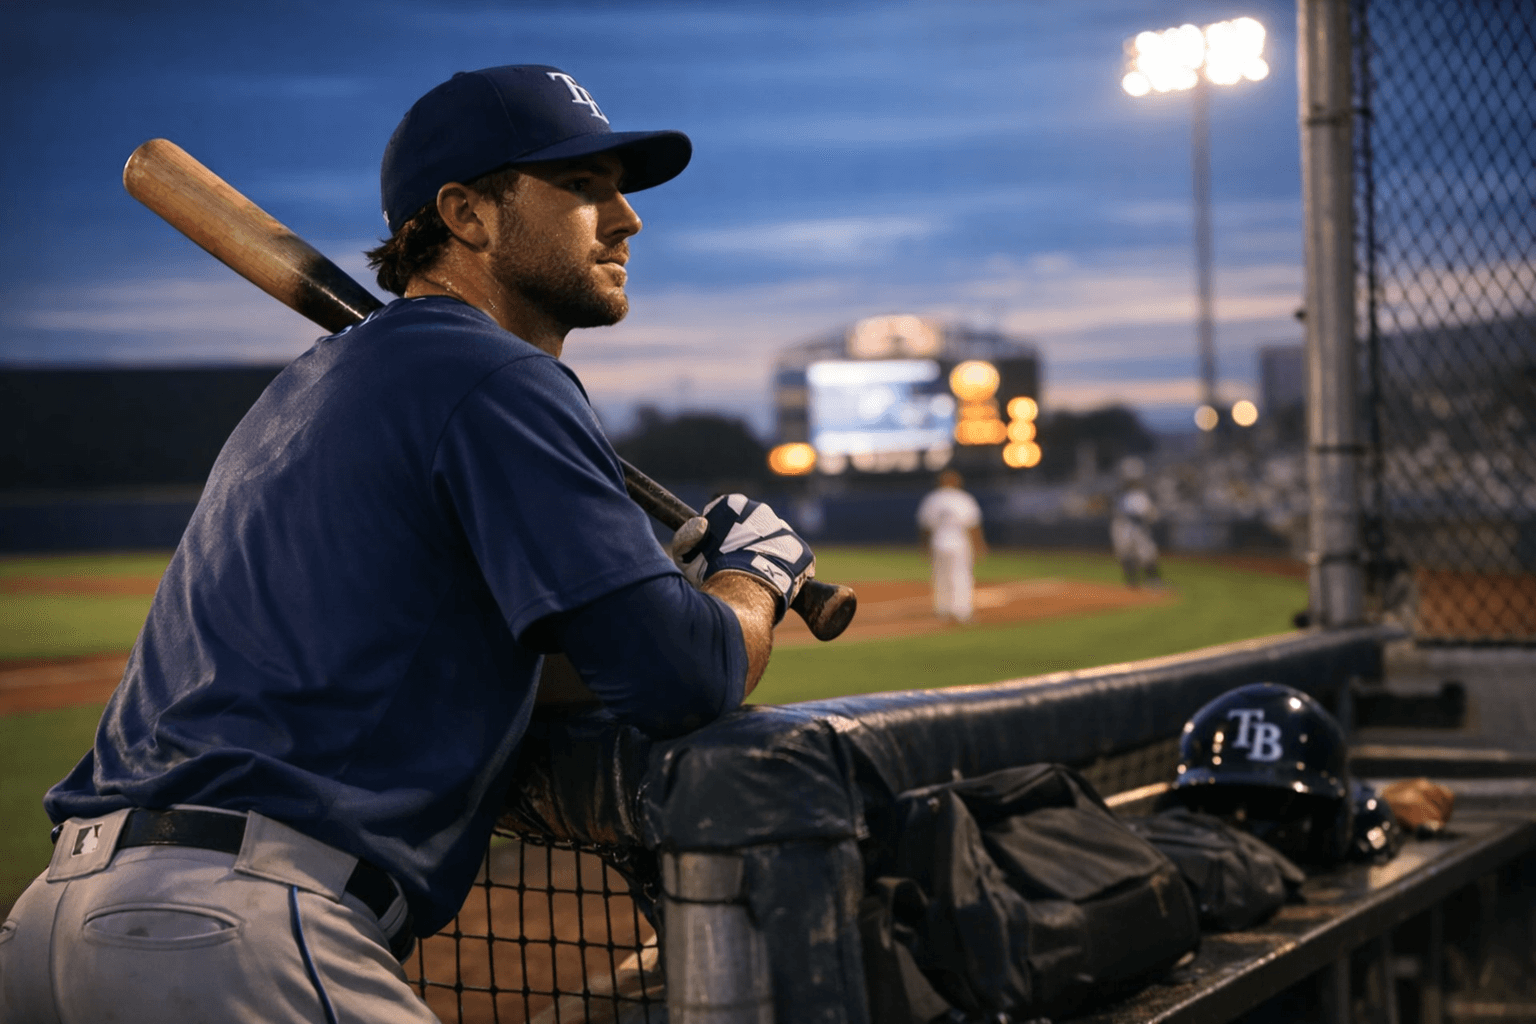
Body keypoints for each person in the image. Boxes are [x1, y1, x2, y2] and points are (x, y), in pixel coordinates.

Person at [0, 65, 814, 1024]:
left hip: (53, 931)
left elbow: (506, 665)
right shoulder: (494, 376)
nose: (627, 219)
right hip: (228, 937)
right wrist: (750, 574)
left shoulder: (312, 391)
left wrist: (644, 589)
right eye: (584, 189)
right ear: (466, 214)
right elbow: (682, 677)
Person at [916, 469, 985, 623]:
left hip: (938, 542)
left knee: (940, 577)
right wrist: (979, 545)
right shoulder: (963, 498)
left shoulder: (932, 498)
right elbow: (973, 525)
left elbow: (925, 527)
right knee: (961, 576)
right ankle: (962, 611)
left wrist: (924, 547)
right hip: (959, 543)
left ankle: (942, 610)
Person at [1110, 459, 1162, 588]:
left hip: (1136, 527)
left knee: (1146, 553)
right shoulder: (1122, 494)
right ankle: (1133, 582)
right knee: (1126, 554)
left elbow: (1151, 515)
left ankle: (1153, 580)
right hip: (1124, 526)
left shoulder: (1139, 495)